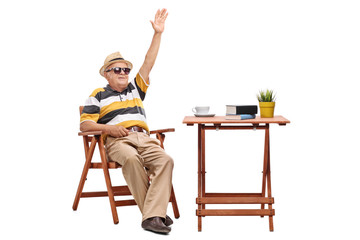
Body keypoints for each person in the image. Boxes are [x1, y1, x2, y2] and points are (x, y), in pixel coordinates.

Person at [80, 9, 174, 234]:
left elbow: (148, 62)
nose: (124, 72)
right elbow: (85, 125)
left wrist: (158, 34)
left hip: (144, 138)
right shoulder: (98, 95)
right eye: (117, 69)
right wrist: (109, 129)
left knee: (166, 161)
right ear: (106, 74)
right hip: (118, 141)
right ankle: (154, 214)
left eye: (126, 69)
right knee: (131, 159)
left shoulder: (136, 88)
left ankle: (152, 215)